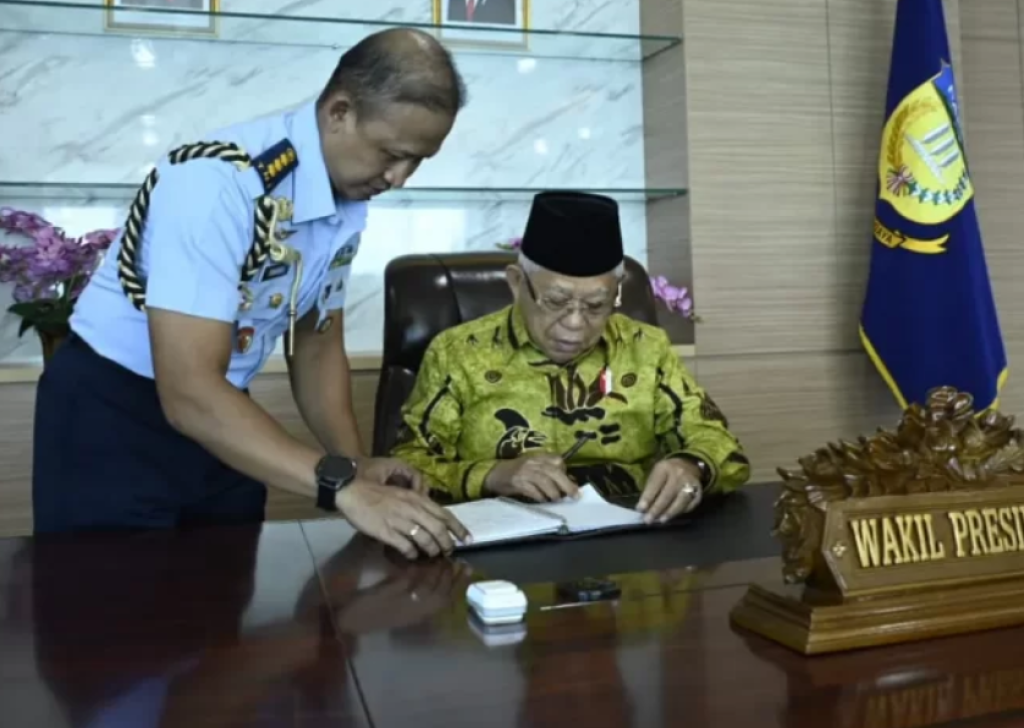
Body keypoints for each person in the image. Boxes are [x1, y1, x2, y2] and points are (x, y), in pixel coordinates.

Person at [33, 29, 470, 558]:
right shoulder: (219, 182)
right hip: (115, 416)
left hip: (224, 415)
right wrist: (341, 487)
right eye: (391, 153)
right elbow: (188, 391)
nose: (399, 178)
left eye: (418, 160)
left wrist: (355, 464)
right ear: (339, 111)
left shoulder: (346, 195)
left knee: (224, 608)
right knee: (112, 617)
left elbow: (315, 340)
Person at [391, 191, 750, 523]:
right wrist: (493, 475)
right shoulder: (458, 353)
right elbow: (405, 466)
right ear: (517, 283)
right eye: (556, 302)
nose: (576, 324)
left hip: (629, 535)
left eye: (596, 306)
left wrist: (692, 466)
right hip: (504, 546)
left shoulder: (646, 347)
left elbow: (720, 445)